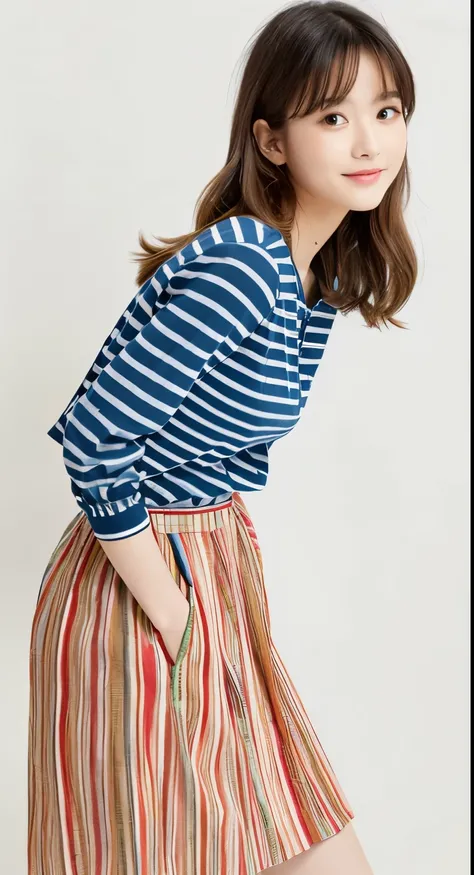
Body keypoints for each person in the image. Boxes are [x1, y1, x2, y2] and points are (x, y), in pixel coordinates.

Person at [28, 2, 417, 873]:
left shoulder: (306, 279)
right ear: (272, 140)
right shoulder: (245, 262)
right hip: (140, 584)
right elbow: (94, 437)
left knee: (309, 847)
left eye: (387, 110)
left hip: (213, 571)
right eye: (333, 115)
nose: (369, 141)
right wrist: (172, 609)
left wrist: (208, 605)